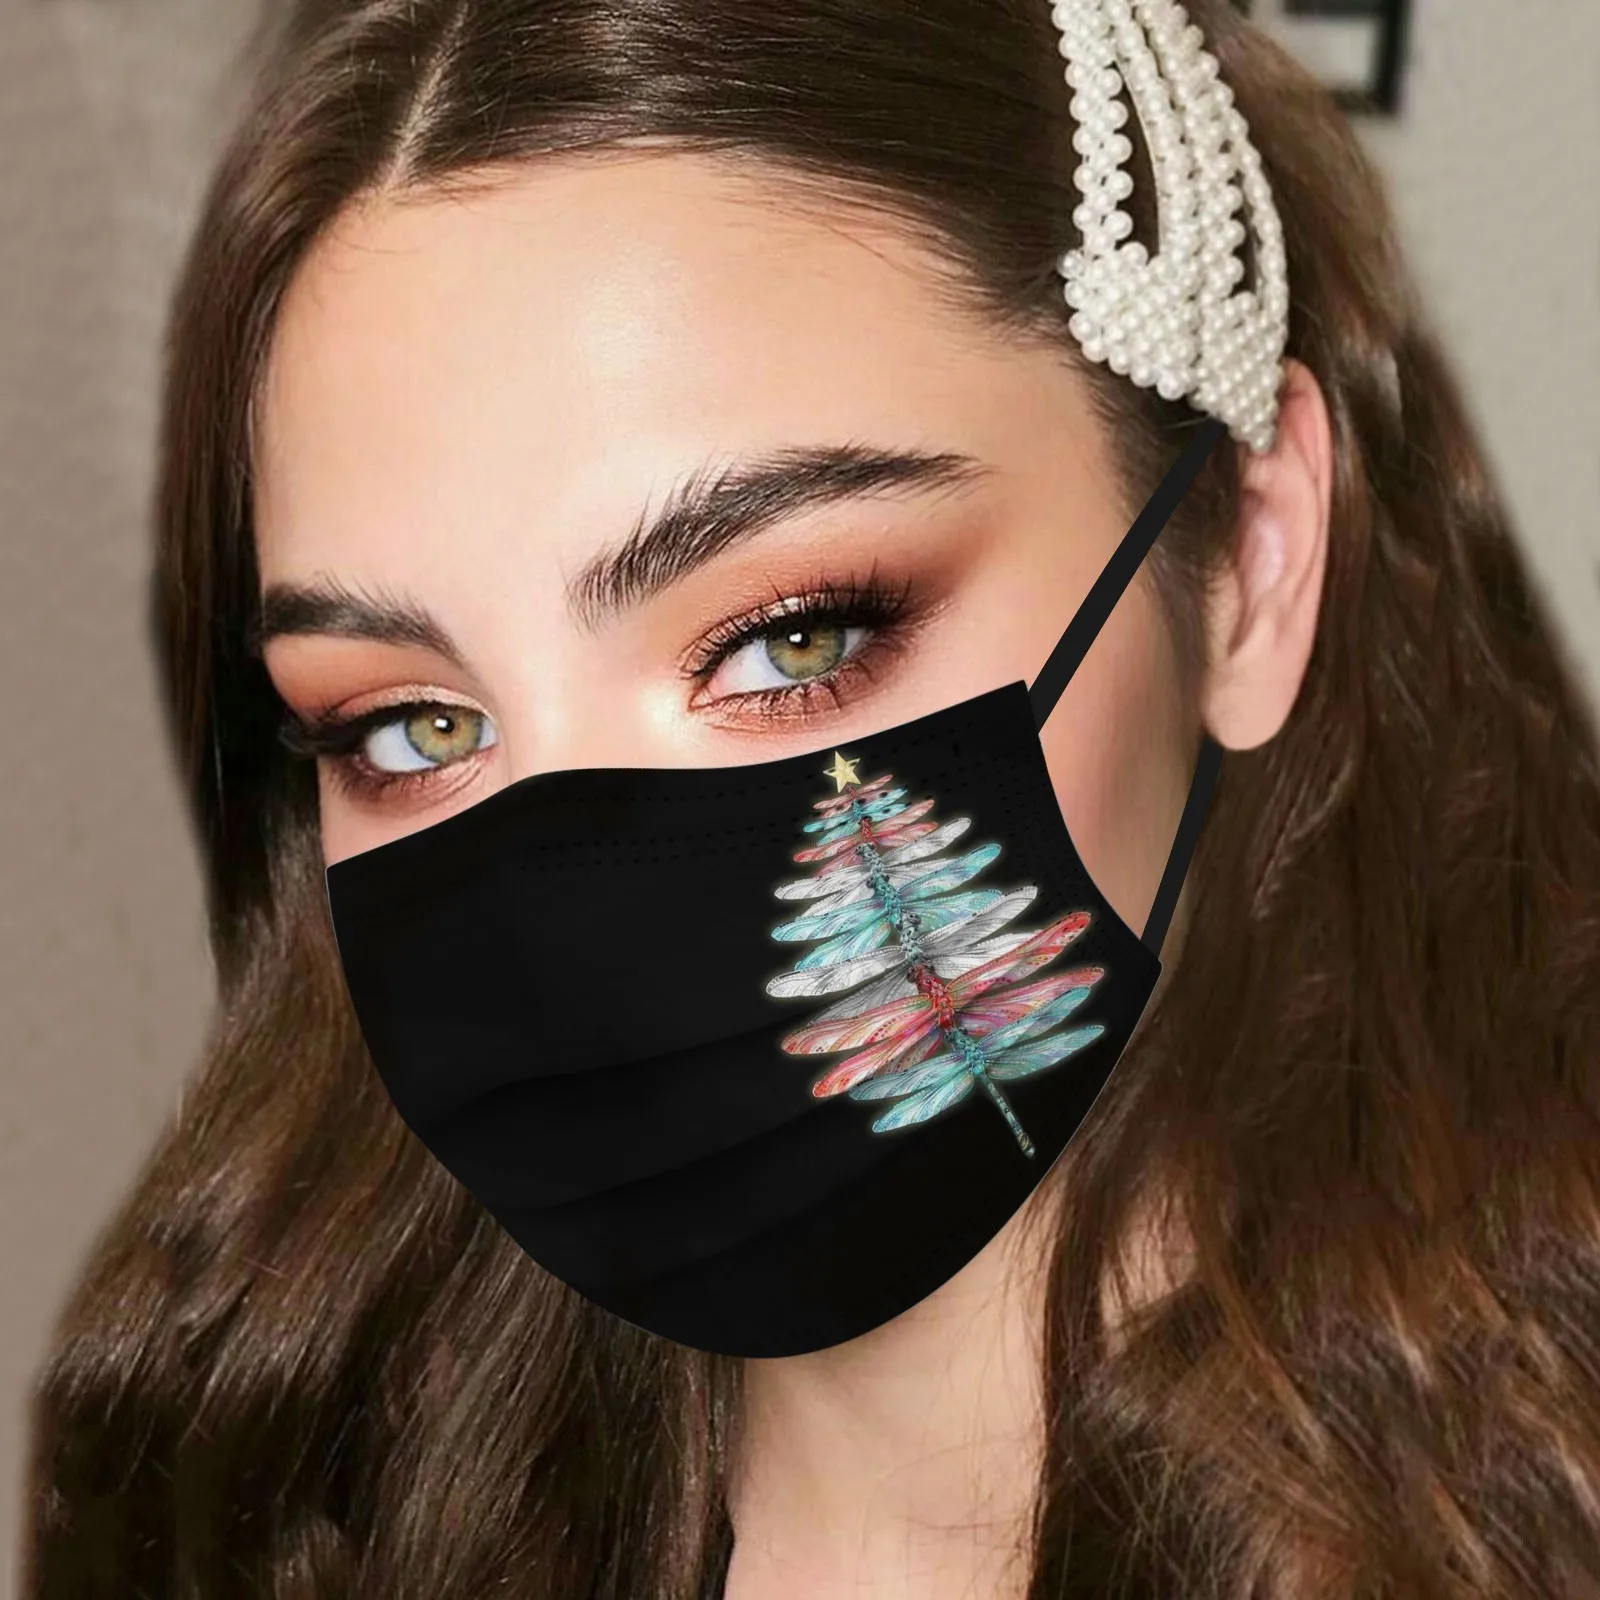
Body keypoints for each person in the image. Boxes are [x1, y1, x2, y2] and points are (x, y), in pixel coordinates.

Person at [23, 0, 1600, 1594]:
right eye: (416, 729)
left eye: (794, 639)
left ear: (1248, 568)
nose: (582, 941)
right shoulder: (267, 1514)